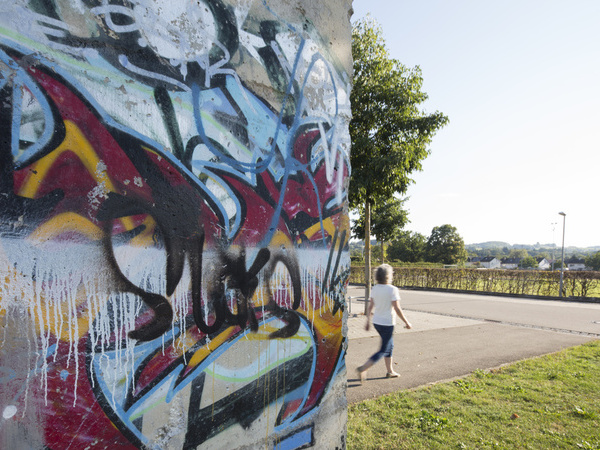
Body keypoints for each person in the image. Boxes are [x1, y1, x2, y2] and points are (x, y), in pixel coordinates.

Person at [356, 264, 412, 382]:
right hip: (387, 323)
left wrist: (368, 321)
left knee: (389, 346)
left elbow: (370, 306)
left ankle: (390, 371)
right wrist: (407, 322)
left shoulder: (375, 288)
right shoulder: (392, 289)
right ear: (389, 276)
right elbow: (397, 308)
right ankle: (364, 368)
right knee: (384, 349)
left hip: (377, 322)